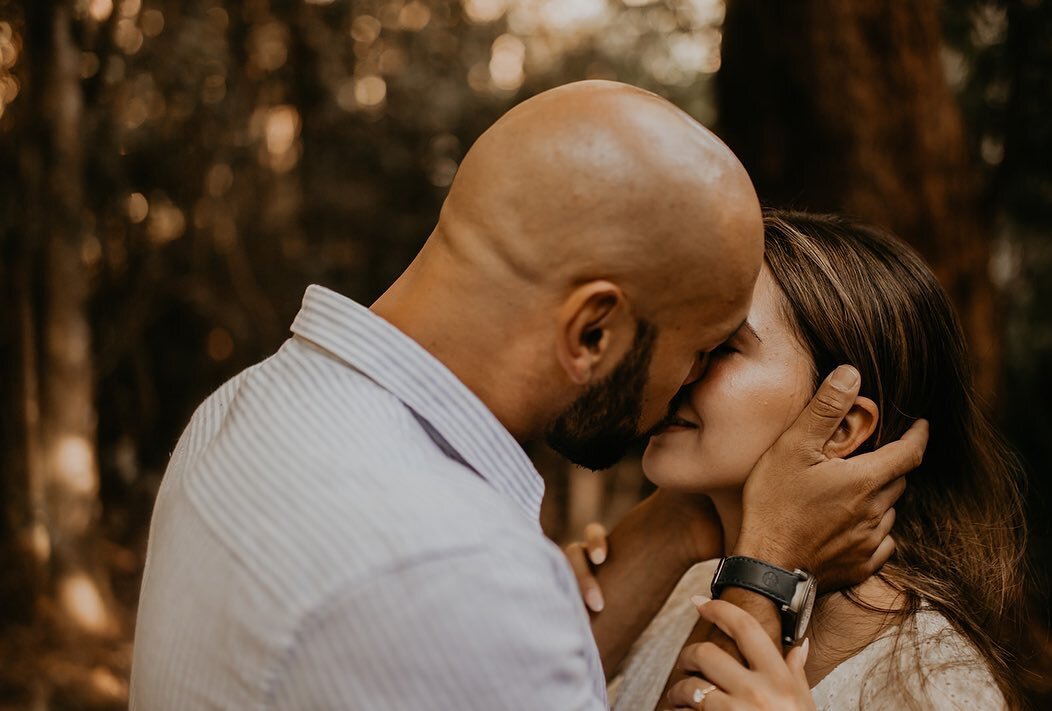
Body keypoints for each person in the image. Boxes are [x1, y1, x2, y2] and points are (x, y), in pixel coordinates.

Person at [129, 83, 926, 710]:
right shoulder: (461, 573)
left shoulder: (252, 406)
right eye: (699, 348)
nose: (693, 380)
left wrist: (695, 519)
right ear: (592, 333)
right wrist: (769, 567)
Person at [569, 210, 1031, 710]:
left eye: (722, 346)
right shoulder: (684, 591)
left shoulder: (934, 683)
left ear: (841, 427)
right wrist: (677, 527)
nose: (675, 370)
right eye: (682, 337)